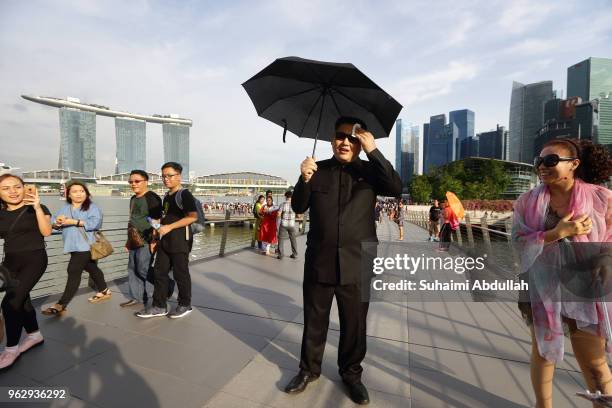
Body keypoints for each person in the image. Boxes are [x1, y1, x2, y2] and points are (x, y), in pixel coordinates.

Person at [285, 116, 402, 405]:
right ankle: (308, 370)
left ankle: (351, 374)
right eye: (340, 136)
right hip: (320, 260)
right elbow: (299, 206)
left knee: (354, 324)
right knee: (314, 320)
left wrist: (373, 149)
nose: (345, 142)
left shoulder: (371, 172)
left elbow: (396, 186)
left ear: (360, 142)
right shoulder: (317, 170)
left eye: (353, 137)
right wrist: (304, 177)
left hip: (358, 261)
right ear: (331, 139)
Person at [512, 139, 612, 408]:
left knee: (593, 362)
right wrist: (557, 233)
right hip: (542, 286)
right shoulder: (527, 201)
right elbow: (517, 242)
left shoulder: (601, 197)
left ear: (574, 164)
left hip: (586, 287)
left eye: (551, 161)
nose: (542, 167)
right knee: (543, 354)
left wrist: (606, 257)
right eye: (539, 161)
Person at [0, 175, 52, 369]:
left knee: (11, 302)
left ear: (24, 188)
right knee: (23, 299)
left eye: (17, 186)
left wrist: (37, 207)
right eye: (6, 188)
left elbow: (47, 231)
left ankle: (11, 349)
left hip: (34, 259)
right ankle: (34, 334)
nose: (13, 191)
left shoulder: (37, 207)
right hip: (10, 262)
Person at [137, 162, 197, 319]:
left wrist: (170, 227)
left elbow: (192, 217)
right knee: (159, 272)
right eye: (163, 176)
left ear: (179, 176)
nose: (166, 179)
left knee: (180, 273)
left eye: (169, 175)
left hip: (180, 240)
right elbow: (164, 219)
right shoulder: (167, 196)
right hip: (165, 240)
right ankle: (159, 306)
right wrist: (155, 237)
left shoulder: (184, 194)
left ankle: (185, 304)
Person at [42, 181, 110, 316]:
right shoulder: (65, 208)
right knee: (91, 267)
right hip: (72, 245)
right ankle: (104, 290)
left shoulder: (92, 207)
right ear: (69, 194)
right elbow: (54, 223)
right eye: (74, 191)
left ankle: (61, 304)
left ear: (86, 193)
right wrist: (57, 222)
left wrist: (74, 222)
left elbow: (95, 223)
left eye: (81, 191)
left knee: (73, 271)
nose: (79, 194)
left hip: (85, 245)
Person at [120, 170, 163, 308]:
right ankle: (137, 297)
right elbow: (132, 220)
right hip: (134, 239)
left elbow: (157, 221)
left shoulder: (152, 198)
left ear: (146, 181)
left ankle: (166, 285)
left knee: (143, 268)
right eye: (131, 182)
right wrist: (128, 240)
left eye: (137, 181)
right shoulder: (133, 199)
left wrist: (154, 240)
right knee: (132, 268)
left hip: (147, 239)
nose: (133, 184)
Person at [278, 190, 298, 260]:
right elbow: (298, 215)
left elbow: (278, 214)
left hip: (283, 223)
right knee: (293, 239)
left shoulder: (282, 204)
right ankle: (295, 254)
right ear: (292, 197)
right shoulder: (295, 204)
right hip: (292, 224)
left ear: (285, 196)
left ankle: (281, 255)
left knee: (281, 239)